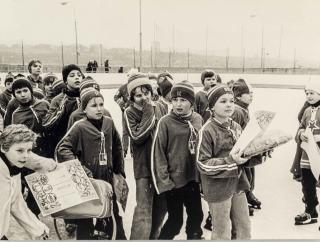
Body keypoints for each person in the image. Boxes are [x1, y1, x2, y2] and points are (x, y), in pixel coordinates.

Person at [56, 88, 127, 239]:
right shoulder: (79, 127)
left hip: (106, 180)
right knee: (85, 218)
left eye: (101, 104)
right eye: (94, 106)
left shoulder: (109, 123)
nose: (99, 108)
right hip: (88, 182)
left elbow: (117, 146)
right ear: (84, 109)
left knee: (112, 216)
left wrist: (118, 171)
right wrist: (80, 170)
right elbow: (62, 149)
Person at [196, 84, 264, 240]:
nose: (229, 105)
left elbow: (243, 156)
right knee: (222, 231)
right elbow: (203, 163)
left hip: (238, 185)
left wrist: (259, 151)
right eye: (223, 101)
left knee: (243, 227)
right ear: (212, 106)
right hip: (218, 188)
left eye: (231, 101)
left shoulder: (236, 126)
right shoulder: (207, 131)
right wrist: (231, 160)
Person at [151, 80, 204, 239]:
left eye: (183, 100)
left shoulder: (197, 119)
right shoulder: (165, 122)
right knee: (175, 221)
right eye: (175, 100)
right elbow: (158, 153)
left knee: (196, 216)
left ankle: (194, 237)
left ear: (192, 102)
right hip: (174, 182)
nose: (178, 104)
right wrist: (165, 181)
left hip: (192, 179)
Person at [124, 73, 167, 239]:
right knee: (144, 208)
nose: (143, 98)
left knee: (162, 206)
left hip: (161, 166)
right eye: (138, 95)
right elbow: (137, 136)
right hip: (143, 167)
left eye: (146, 93)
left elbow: (166, 132)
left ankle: (153, 237)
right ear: (132, 97)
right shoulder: (129, 112)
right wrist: (149, 111)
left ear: (152, 92)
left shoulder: (161, 107)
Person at [0, 124, 51, 240]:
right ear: (3, 148)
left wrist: (38, 229)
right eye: (20, 150)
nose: (26, 156)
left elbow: (16, 203)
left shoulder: (14, 168)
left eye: (29, 150)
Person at [231, 79, 260, 214]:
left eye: (252, 93)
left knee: (249, 173)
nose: (251, 96)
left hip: (247, 149)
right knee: (242, 176)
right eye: (248, 93)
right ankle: (242, 201)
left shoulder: (244, 109)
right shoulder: (237, 111)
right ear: (238, 96)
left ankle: (248, 195)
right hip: (239, 151)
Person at [294, 79, 320, 227]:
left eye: (312, 93)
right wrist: (301, 133)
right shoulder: (307, 111)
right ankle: (311, 211)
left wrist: (318, 137)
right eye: (307, 93)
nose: (309, 96)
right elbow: (301, 126)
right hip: (307, 154)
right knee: (307, 184)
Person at [43, 64, 83, 158]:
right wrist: (61, 110)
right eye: (72, 75)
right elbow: (46, 124)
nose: (76, 77)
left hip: (84, 142)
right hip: (65, 142)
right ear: (65, 80)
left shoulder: (86, 97)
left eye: (79, 75)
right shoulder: (58, 99)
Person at [114, 81, 130, 158]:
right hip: (125, 111)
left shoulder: (138, 86)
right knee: (125, 131)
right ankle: (124, 150)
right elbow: (115, 97)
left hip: (136, 112)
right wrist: (121, 103)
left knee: (135, 130)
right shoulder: (123, 87)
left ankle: (134, 150)